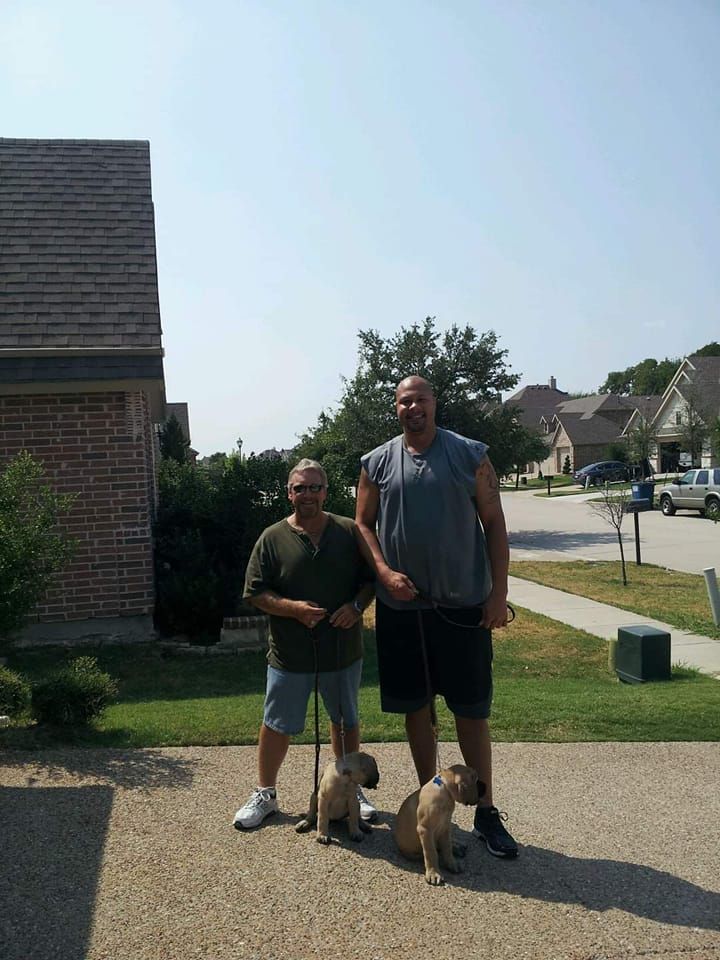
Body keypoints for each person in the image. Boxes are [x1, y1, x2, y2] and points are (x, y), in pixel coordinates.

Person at [355, 375, 518, 858]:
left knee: (471, 711)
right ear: (396, 408)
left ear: (434, 403)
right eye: (404, 401)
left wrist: (498, 594)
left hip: (464, 607)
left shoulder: (469, 455)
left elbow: (494, 523)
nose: (413, 408)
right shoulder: (377, 463)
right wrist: (384, 573)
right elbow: (363, 523)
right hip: (403, 610)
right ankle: (432, 799)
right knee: (417, 709)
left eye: (420, 399)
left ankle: (485, 810)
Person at [233, 458, 376, 830]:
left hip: (342, 650)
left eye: (315, 487)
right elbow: (255, 592)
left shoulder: (349, 531)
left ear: (326, 492)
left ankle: (350, 790)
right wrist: (292, 609)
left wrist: (356, 607)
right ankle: (266, 794)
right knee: (276, 724)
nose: (307, 494)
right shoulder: (272, 538)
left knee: (345, 721)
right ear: (289, 493)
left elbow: (370, 580)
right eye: (300, 488)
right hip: (289, 654)